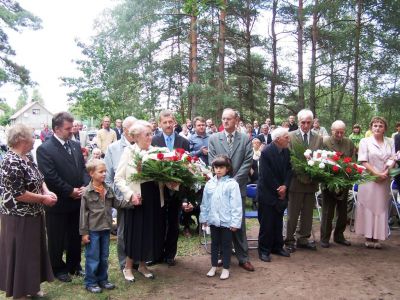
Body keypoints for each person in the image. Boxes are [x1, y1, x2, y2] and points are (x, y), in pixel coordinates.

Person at [0, 124, 57, 299]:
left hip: (34, 213)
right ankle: (20, 292)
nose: (35, 139)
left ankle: (32, 286)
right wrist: (43, 199)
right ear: (21, 140)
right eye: (32, 136)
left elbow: (40, 178)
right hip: (18, 216)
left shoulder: (27, 156)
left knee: (33, 252)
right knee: (22, 254)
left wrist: (46, 191)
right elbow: (19, 194)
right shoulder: (10, 161)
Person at [37, 112, 90, 282]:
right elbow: (50, 176)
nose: (72, 131)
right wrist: (70, 191)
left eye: (72, 127)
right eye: (68, 128)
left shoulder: (74, 145)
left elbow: (83, 168)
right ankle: (57, 268)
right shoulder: (45, 149)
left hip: (77, 200)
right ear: (56, 129)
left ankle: (74, 265)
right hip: (58, 202)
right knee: (56, 237)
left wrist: (84, 185)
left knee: (75, 235)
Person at [115, 121, 164, 281]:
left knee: (148, 232)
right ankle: (128, 267)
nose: (151, 137)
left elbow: (163, 176)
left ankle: (142, 265)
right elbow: (118, 179)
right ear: (136, 137)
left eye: (151, 134)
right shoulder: (129, 152)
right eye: (147, 134)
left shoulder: (157, 151)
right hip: (138, 198)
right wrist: (130, 195)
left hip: (153, 196)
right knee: (135, 234)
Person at [208, 108, 255, 272]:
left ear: (236, 120)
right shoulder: (214, 138)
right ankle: (222, 256)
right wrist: (225, 183)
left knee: (238, 223)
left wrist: (233, 183)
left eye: (229, 119)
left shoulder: (245, 139)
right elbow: (213, 162)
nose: (225, 121)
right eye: (223, 119)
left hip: (238, 188)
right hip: (219, 191)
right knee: (220, 223)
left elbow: (248, 161)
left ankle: (243, 258)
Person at [80, 159, 134, 293]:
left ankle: (103, 279)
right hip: (93, 230)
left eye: (105, 171)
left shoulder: (108, 189)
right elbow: (83, 214)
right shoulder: (87, 192)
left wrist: (133, 202)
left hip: (105, 229)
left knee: (104, 256)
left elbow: (118, 203)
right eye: (101, 172)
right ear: (91, 173)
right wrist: (84, 233)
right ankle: (91, 282)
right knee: (93, 257)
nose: (104, 174)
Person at [151, 110, 190, 266]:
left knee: (173, 223)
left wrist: (185, 195)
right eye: (164, 122)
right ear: (160, 124)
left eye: (170, 122)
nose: (168, 125)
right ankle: (157, 253)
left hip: (176, 190)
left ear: (175, 123)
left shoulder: (184, 142)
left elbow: (188, 167)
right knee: (158, 222)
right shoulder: (153, 141)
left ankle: (170, 255)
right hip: (158, 190)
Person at [285, 109, 323, 252]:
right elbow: (288, 159)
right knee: (293, 213)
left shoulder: (318, 138)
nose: (306, 125)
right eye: (303, 122)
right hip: (295, 181)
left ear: (312, 122)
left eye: (308, 122)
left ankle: (303, 238)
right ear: (298, 121)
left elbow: (320, 158)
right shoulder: (290, 136)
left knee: (308, 213)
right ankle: (289, 240)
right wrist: (300, 171)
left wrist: (314, 171)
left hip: (311, 181)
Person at [355, 116, 395, 249]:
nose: (377, 128)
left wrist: (386, 172)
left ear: (385, 128)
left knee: (380, 207)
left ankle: (377, 237)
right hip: (368, 179)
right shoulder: (364, 141)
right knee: (368, 206)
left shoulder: (390, 141)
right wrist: (376, 174)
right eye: (375, 125)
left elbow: (392, 158)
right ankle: (368, 236)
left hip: (384, 179)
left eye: (380, 125)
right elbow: (363, 160)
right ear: (371, 127)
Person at [200, 155, 242, 280]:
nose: (218, 170)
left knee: (226, 244)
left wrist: (235, 222)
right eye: (216, 167)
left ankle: (226, 268)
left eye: (221, 167)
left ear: (227, 169)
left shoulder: (232, 184)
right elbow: (205, 202)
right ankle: (213, 266)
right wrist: (205, 219)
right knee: (215, 244)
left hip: (226, 221)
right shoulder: (209, 184)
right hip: (213, 220)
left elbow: (236, 204)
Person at [104, 116, 137, 271]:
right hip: (122, 198)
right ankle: (125, 263)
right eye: (133, 129)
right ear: (125, 130)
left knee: (138, 230)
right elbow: (108, 177)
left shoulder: (140, 145)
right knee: (123, 231)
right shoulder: (114, 148)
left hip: (140, 197)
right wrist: (116, 199)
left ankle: (137, 259)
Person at [257, 127, 292, 262]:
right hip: (268, 193)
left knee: (278, 222)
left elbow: (289, 170)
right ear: (278, 139)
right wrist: (279, 189)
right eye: (286, 137)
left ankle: (277, 247)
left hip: (281, 192)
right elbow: (266, 176)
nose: (288, 139)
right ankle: (264, 250)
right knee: (267, 224)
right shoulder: (266, 152)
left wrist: (285, 186)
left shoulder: (286, 151)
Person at [320, 120, 355, 248]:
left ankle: (339, 236)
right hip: (329, 182)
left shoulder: (349, 142)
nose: (340, 134)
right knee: (327, 211)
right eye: (337, 132)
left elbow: (352, 161)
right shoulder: (324, 142)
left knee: (343, 211)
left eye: (342, 132)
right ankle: (324, 238)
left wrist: (348, 176)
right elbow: (320, 160)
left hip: (344, 182)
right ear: (332, 130)